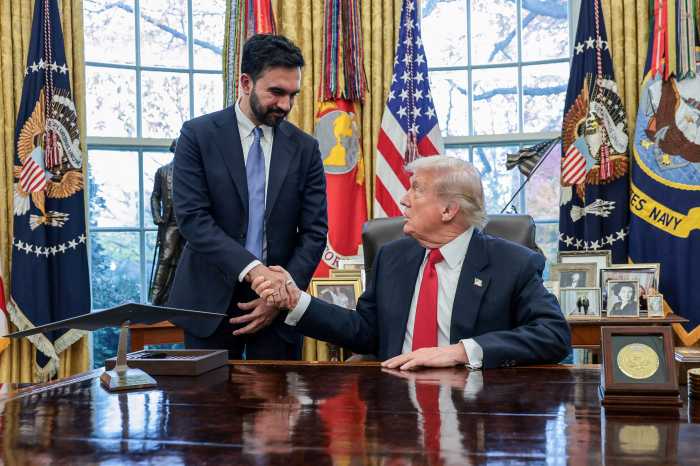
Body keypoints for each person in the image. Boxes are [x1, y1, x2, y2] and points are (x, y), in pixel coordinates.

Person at [252, 156, 571, 370]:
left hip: (474, 409)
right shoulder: (393, 257)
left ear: (449, 210)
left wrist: (462, 351)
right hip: (395, 404)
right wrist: (297, 301)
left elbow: (554, 335)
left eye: (416, 189)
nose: (404, 199)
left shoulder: (511, 263)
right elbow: (365, 332)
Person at [167, 34, 328, 360]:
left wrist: (276, 294)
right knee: (208, 410)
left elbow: (314, 233)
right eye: (276, 92)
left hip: (278, 309)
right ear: (245, 82)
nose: (285, 105)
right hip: (207, 304)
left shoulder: (305, 148)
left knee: (277, 407)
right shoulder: (197, 136)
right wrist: (256, 272)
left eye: (293, 95)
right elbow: (193, 220)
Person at [149, 138, 184, 305]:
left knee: (187, 260)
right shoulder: (162, 172)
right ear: (174, 150)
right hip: (170, 222)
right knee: (166, 258)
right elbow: (155, 196)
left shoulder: (193, 172)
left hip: (191, 225)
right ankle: (155, 300)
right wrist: (157, 216)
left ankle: (182, 298)